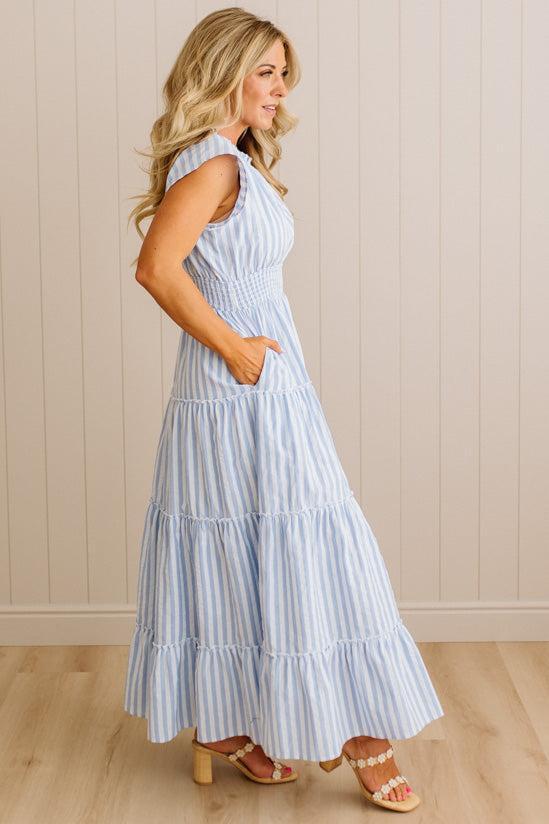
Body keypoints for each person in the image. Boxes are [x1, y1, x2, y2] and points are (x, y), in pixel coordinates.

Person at [123, 6, 444, 814]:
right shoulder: (214, 167)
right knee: (307, 542)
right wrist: (234, 350)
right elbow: (157, 268)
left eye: (281, 72)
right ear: (225, 72)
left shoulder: (231, 160)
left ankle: (227, 726)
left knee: (256, 545)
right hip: (238, 390)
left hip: (255, 390)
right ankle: (363, 738)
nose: (280, 87)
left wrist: (248, 360)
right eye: (264, 71)